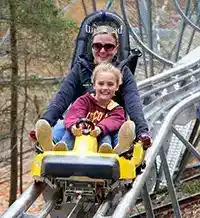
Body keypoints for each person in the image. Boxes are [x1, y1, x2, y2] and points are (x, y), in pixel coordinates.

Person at [34, 25, 152, 154]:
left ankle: (118, 149)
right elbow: (63, 97)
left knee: (119, 131)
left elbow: (133, 102)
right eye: (97, 46)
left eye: (108, 46)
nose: (102, 51)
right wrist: (46, 121)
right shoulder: (81, 69)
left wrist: (142, 131)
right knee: (61, 125)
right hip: (80, 124)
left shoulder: (123, 72)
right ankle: (51, 144)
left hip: (109, 124)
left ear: (116, 48)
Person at [38, 63, 128, 153]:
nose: (105, 88)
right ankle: (60, 147)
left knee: (106, 134)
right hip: (79, 139)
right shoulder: (84, 101)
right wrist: (74, 126)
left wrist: (100, 128)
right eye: (100, 84)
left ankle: (109, 150)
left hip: (97, 142)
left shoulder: (116, 109)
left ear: (116, 87)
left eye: (110, 84)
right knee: (68, 131)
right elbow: (75, 113)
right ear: (94, 85)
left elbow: (114, 121)